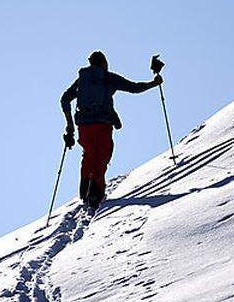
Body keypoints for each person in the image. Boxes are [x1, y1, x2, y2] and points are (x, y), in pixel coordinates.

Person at [61, 51, 163, 209]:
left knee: (89, 154)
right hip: (102, 124)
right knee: (102, 155)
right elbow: (134, 88)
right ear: (103, 63)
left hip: (84, 125)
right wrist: (154, 83)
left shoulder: (82, 79)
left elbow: (65, 99)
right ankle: (95, 194)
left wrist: (70, 125)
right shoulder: (108, 77)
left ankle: (84, 190)